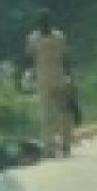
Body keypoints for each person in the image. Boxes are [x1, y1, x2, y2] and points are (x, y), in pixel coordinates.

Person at [25, 9, 75, 159]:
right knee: (46, 116)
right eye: (42, 22)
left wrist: (70, 76)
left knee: (64, 114)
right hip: (43, 81)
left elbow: (66, 58)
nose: (44, 25)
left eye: (46, 22)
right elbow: (29, 58)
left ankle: (66, 145)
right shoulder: (33, 38)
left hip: (59, 79)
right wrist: (28, 74)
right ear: (39, 24)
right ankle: (49, 149)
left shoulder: (59, 37)